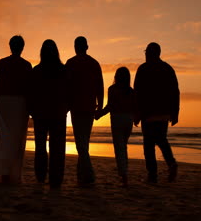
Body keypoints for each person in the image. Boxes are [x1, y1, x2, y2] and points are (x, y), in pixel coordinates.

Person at [0, 35, 32, 184]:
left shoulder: (3, 62)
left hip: (5, 102)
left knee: (4, 138)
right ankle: (13, 174)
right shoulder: (26, 65)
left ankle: (5, 173)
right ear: (22, 47)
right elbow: (28, 87)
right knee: (17, 139)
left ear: (10, 46)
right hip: (19, 103)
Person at [134, 42, 180, 183]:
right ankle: (171, 163)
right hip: (163, 112)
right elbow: (175, 92)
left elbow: (137, 93)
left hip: (148, 112)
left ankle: (152, 175)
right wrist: (175, 112)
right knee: (161, 140)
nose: (146, 54)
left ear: (150, 53)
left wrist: (137, 113)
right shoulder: (167, 69)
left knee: (149, 145)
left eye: (146, 52)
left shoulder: (143, 69)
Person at [28, 39, 69, 189]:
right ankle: (55, 180)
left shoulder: (36, 70)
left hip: (40, 113)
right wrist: (66, 108)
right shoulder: (63, 70)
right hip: (58, 113)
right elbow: (69, 92)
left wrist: (31, 110)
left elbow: (30, 93)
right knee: (58, 147)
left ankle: (40, 177)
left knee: (40, 146)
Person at [65, 36, 104, 185]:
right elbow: (100, 87)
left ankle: (86, 174)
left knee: (81, 143)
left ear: (76, 47)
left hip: (77, 107)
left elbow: (66, 87)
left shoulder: (71, 63)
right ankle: (82, 175)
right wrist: (99, 107)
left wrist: (66, 106)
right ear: (86, 47)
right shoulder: (93, 63)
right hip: (87, 107)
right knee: (83, 142)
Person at [95, 67, 135, 187]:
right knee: (124, 146)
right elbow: (135, 106)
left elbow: (110, 106)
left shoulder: (112, 89)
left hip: (117, 119)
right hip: (128, 119)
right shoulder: (131, 91)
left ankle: (124, 175)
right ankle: (124, 172)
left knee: (119, 148)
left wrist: (99, 114)